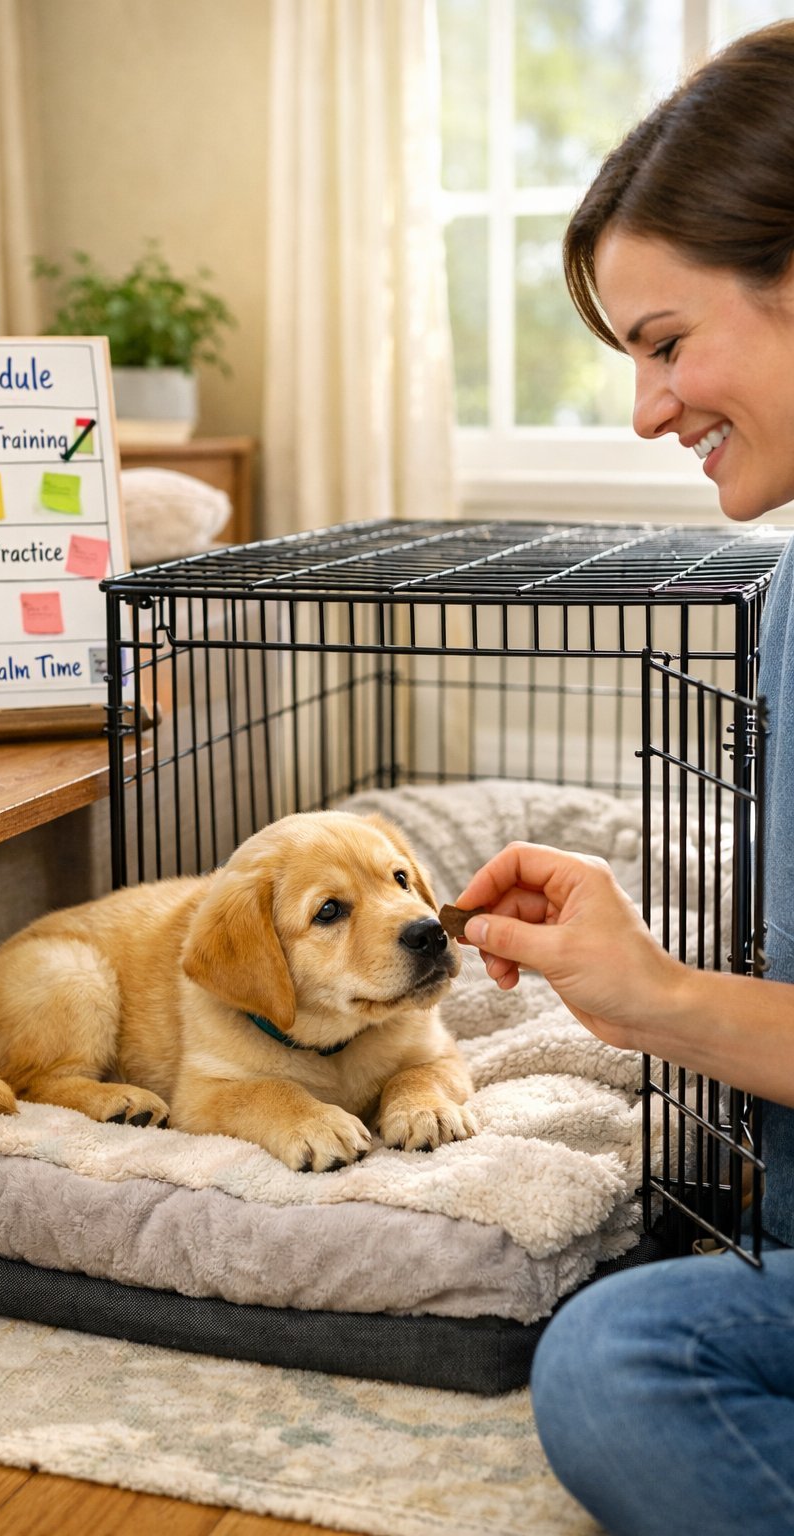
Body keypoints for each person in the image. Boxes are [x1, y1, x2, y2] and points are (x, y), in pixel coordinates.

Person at [453, 20, 794, 1536]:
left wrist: (655, 1002)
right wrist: (642, 969)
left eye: (667, 342)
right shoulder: (786, 599)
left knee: (618, 1364)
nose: (646, 410)